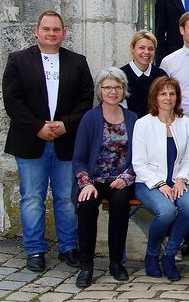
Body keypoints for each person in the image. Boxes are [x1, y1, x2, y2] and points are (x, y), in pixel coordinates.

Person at [3, 10, 93, 272]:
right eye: (46, 29)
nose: (51, 34)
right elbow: (12, 100)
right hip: (30, 141)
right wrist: (37, 127)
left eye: (56, 29)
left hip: (66, 141)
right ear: (36, 31)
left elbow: (85, 99)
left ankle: (68, 247)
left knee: (66, 198)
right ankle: (35, 249)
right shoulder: (18, 60)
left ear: (64, 33)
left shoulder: (77, 62)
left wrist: (66, 124)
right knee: (32, 198)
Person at [72, 68, 138, 287]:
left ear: (124, 90)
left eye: (118, 87)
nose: (113, 91)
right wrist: (86, 183)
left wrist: (126, 177)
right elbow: (79, 159)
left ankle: (116, 263)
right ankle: (86, 266)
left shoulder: (132, 118)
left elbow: (139, 156)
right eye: (108, 87)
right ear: (99, 90)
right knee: (87, 205)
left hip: (120, 179)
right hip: (94, 180)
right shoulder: (90, 118)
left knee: (120, 202)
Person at [132, 76, 189, 281]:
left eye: (172, 93)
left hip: (178, 180)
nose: (168, 98)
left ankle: (169, 255)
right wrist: (160, 184)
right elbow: (138, 163)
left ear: (177, 97)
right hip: (149, 182)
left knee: (188, 206)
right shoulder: (143, 124)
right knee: (166, 211)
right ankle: (152, 254)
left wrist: (181, 178)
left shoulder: (186, 123)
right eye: (163, 94)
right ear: (155, 97)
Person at [121, 30, 168, 117]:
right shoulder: (121, 75)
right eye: (141, 48)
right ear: (132, 49)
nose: (146, 52)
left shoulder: (161, 75)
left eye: (150, 49)